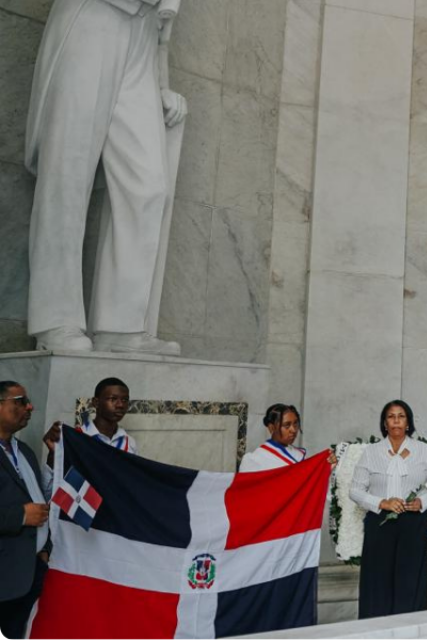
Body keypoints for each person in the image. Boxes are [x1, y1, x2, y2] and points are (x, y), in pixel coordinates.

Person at [25, 0, 188, 354]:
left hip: (142, 31)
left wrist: (162, 81)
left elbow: (164, 26)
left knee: (148, 186)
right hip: (94, 14)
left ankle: (121, 326)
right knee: (67, 172)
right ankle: (55, 319)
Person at [349, 400, 427, 618]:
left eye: (401, 416)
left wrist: (422, 501)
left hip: (413, 522)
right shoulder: (371, 452)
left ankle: (409, 628)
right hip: (380, 522)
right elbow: (355, 490)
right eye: (391, 416)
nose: (396, 421)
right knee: (377, 577)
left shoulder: (422, 451)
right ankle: (375, 629)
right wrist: (382, 503)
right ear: (384, 422)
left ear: (408, 422)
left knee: (410, 578)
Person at [0, 382, 51, 639]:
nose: (29, 407)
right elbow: (24, 510)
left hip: (29, 571)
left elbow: (38, 497)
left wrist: (43, 550)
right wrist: (20, 516)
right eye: (20, 401)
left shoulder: (25, 451)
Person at [42, 377, 138, 463]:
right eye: (113, 399)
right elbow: (55, 480)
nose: (120, 405)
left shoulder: (129, 442)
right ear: (96, 402)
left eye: (125, 400)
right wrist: (53, 455)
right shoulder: (77, 439)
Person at [240, 404, 308, 472]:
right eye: (287, 425)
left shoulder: (299, 454)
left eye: (295, 424)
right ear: (271, 427)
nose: (293, 430)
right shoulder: (255, 459)